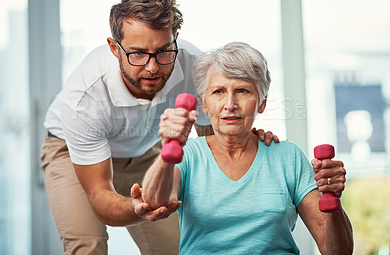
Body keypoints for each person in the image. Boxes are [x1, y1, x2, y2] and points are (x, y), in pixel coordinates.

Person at [40, 0, 278, 255]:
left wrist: (250, 146)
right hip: (71, 153)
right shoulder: (85, 98)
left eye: (164, 51)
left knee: (179, 248)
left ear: (175, 38)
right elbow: (98, 196)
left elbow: (217, 145)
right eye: (137, 53)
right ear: (114, 48)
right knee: (88, 246)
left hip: (144, 151)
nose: (152, 67)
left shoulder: (193, 66)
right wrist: (137, 207)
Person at [137, 42, 354, 254]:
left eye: (242, 91)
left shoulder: (289, 157)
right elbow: (156, 202)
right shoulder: (188, 155)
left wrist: (334, 201)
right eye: (218, 92)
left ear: (262, 102)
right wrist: (169, 149)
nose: (230, 104)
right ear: (203, 103)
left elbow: (337, 251)